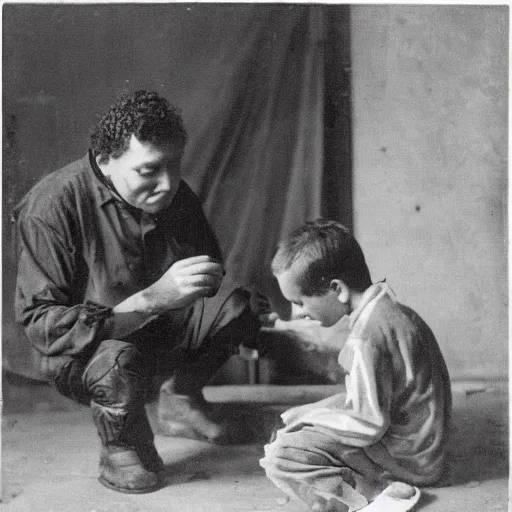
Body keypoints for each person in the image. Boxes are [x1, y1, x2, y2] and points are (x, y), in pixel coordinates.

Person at [14, 90, 262, 494]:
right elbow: (43, 328)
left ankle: (180, 399)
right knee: (116, 363)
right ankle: (120, 445)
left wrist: (210, 287)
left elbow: (209, 275)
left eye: (175, 166)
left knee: (238, 306)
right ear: (106, 160)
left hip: (156, 334)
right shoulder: (52, 205)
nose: (168, 184)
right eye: (149, 171)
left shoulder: (173, 193)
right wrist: (150, 299)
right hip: (86, 354)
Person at [260, 219, 452, 512]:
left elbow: (367, 424)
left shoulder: (367, 338)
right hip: (426, 448)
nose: (296, 314)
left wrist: (307, 421)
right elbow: (374, 399)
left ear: (336, 289)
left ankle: (377, 494)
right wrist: (309, 412)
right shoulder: (393, 312)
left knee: (281, 455)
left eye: (299, 302)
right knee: (300, 421)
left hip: (410, 461)